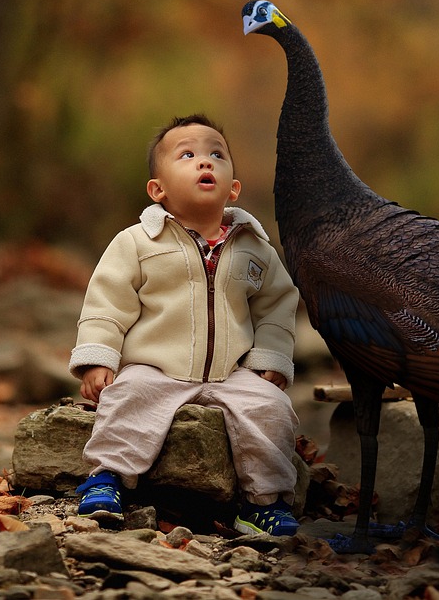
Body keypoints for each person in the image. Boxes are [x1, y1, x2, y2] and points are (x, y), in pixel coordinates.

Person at [68, 114, 301, 536]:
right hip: (155, 367)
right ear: (158, 190)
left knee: (272, 409)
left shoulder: (255, 248)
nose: (204, 162)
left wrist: (270, 358)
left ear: (234, 187)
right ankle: (107, 478)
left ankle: (263, 503)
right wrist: (98, 357)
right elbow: (107, 301)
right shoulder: (137, 242)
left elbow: (277, 305)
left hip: (232, 373)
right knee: (127, 396)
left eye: (216, 154)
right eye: (188, 155)